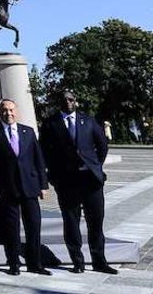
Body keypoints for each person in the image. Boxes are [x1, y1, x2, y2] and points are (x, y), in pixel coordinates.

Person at [40, 90, 115, 274]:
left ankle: (99, 261)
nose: (68, 103)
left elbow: (102, 145)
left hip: (91, 181)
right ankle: (78, 262)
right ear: (59, 102)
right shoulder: (51, 123)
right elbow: (44, 152)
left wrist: (95, 165)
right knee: (71, 223)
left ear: (76, 102)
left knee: (95, 222)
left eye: (71, 99)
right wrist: (53, 176)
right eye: (64, 100)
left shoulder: (88, 120)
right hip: (67, 182)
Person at [0, 99, 50, 276]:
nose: (8, 113)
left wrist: (43, 184)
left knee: (33, 226)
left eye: (11, 110)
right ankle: (13, 262)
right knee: (10, 228)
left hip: (30, 186)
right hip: (7, 188)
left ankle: (35, 263)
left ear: (17, 111)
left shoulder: (27, 132)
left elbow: (38, 159)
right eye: (4, 110)